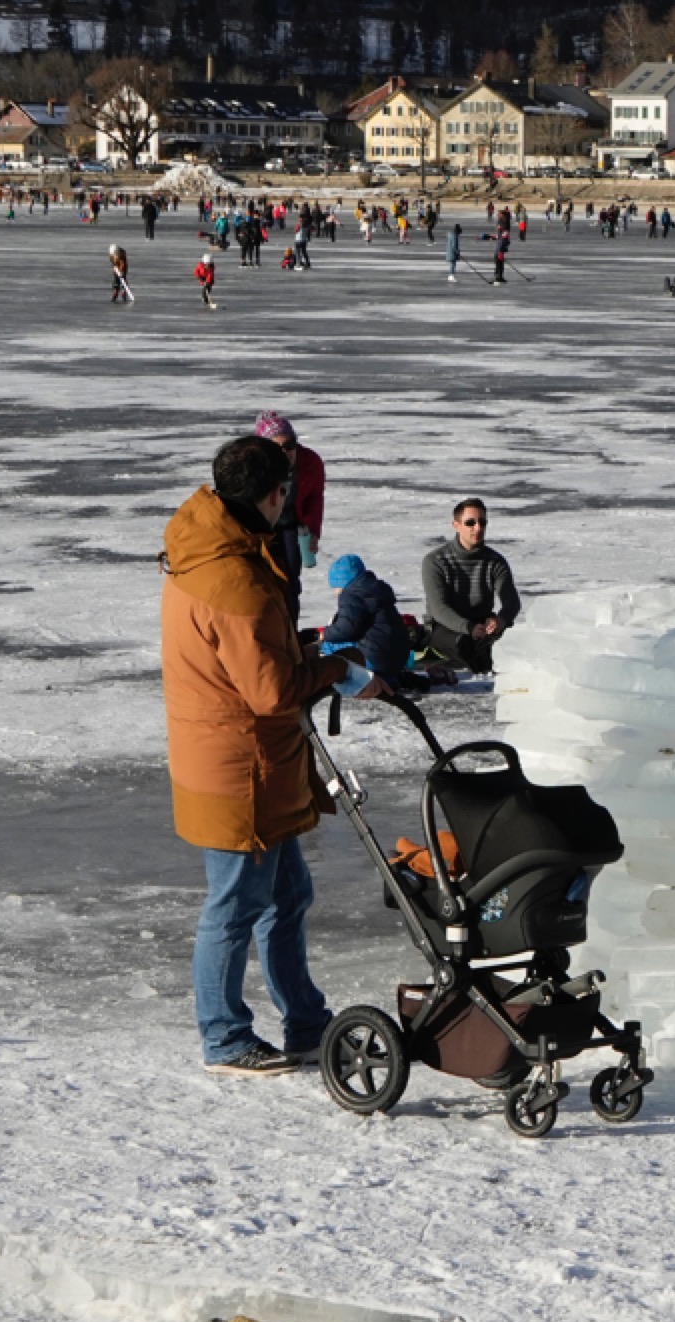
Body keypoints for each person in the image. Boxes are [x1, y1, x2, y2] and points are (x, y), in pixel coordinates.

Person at [161, 434, 386, 1077]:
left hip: (246, 757)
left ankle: (307, 1024)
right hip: (238, 767)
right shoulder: (236, 581)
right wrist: (337, 667)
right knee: (233, 906)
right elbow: (269, 690)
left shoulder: (208, 546)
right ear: (272, 495)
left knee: (287, 895)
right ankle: (224, 1036)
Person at [418, 497, 521, 674]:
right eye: (470, 523)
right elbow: (438, 608)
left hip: (481, 625)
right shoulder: (435, 561)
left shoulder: (495, 561)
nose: (478, 528)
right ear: (456, 525)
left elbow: (512, 602)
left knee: (517, 640)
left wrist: (500, 620)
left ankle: (487, 656)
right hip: (446, 627)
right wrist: (468, 628)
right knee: (462, 643)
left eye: (482, 522)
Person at [253, 413, 324, 624]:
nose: (285, 452)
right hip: (262, 527)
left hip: (293, 525)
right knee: (263, 580)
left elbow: (315, 498)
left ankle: (290, 631)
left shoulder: (310, 462)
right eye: (278, 447)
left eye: (290, 445)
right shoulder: (255, 466)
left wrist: (313, 532)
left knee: (291, 580)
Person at [319, 553, 412, 683]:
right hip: (397, 659)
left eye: (335, 586)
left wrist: (326, 634)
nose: (335, 592)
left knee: (329, 646)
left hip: (374, 659)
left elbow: (346, 629)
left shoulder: (351, 595)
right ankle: (386, 677)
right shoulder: (376, 591)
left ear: (342, 582)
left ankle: (334, 676)